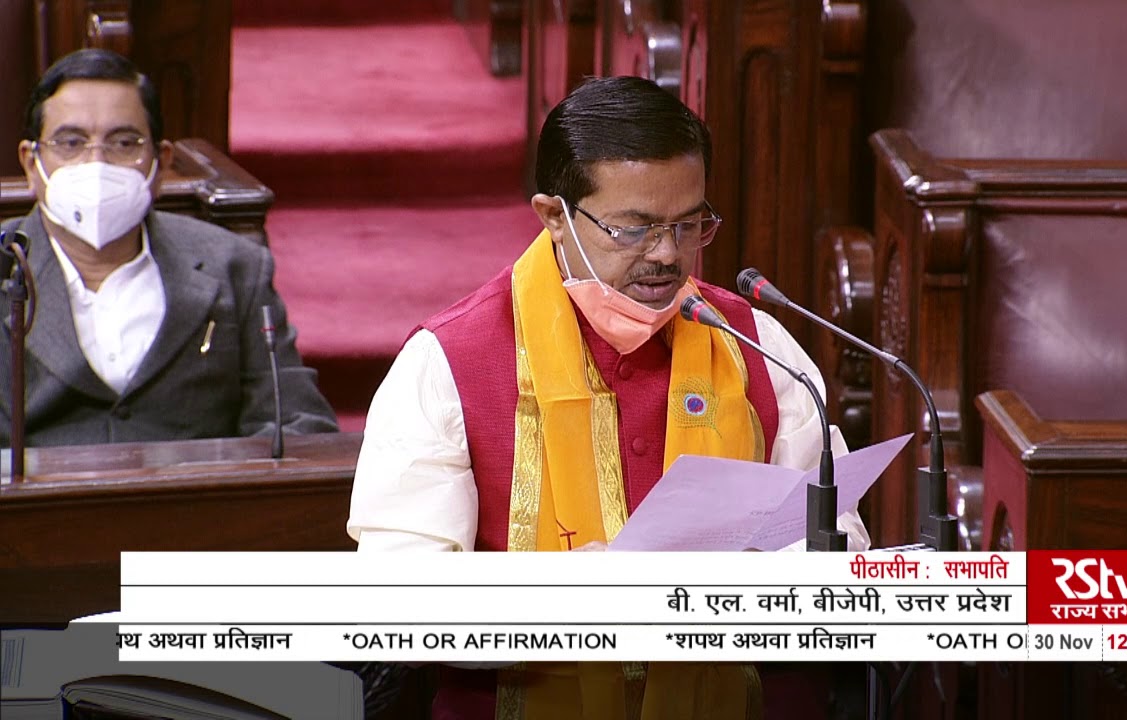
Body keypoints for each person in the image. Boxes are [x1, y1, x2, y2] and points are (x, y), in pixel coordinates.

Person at [348, 76, 868, 719]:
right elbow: (398, 601)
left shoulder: (755, 344)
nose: (667, 256)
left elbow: (837, 539)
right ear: (554, 218)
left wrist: (754, 586)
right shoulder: (449, 362)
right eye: (634, 229)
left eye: (689, 225)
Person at [0, 49, 337, 447]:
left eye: (124, 142)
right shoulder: (6, 265)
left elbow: (299, 425)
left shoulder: (233, 265)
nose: (96, 162)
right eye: (70, 143)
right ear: (30, 163)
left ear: (160, 162)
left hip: (198, 504)